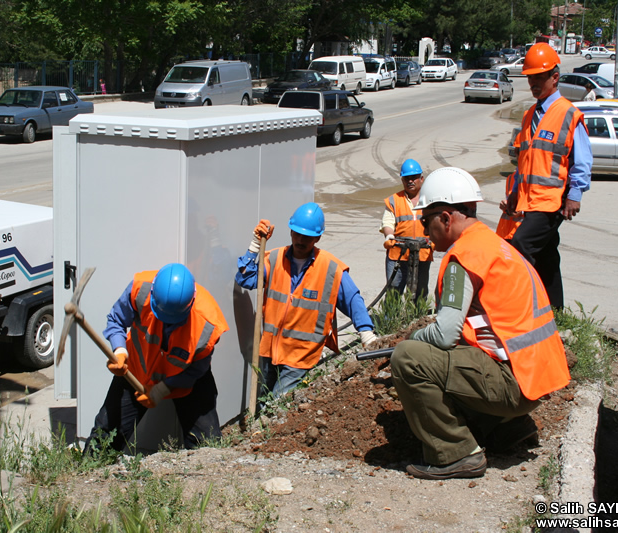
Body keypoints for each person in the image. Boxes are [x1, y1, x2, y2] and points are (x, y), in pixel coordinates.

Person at [391, 167, 570, 480]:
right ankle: (507, 429)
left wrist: (414, 337)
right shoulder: (495, 244)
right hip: (535, 379)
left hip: (513, 383)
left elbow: (445, 334)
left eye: (426, 221)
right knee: (454, 359)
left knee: (408, 358)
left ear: (446, 218)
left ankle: (456, 453)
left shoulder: (465, 255)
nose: (424, 230)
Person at [236, 202, 378, 398]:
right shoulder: (275, 259)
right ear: (291, 232)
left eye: (307, 237)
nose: (301, 240)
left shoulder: (330, 268)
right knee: (263, 399)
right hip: (270, 351)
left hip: (301, 354)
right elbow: (246, 279)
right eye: (297, 234)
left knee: (277, 402)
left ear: (317, 238)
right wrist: (254, 246)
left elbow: (353, 299)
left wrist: (366, 332)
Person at [85, 263, 229, 453]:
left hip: (185, 379)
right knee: (105, 438)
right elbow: (116, 320)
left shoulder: (208, 323)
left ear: (191, 304)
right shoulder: (140, 289)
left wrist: (160, 391)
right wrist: (120, 351)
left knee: (208, 447)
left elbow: (196, 369)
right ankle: (88, 474)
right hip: (136, 371)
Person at [503, 42, 592, 309]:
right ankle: (555, 311)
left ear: (555, 77)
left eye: (539, 77)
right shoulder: (530, 115)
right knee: (547, 255)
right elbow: (525, 163)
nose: (534, 83)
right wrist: (513, 196)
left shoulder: (568, 113)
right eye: (530, 78)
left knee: (520, 246)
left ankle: (522, 310)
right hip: (529, 201)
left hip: (552, 201)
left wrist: (574, 195)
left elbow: (582, 161)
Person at [380, 159, 435, 300]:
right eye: (407, 178)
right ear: (402, 180)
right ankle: (391, 320)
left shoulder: (431, 200)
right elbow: (388, 221)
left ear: (421, 179)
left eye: (414, 178)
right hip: (398, 254)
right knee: (394, 292)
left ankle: (418, 320)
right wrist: (389, 235)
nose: (410, 181)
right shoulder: (394, 200)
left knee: (420, 292)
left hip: (422, 253)